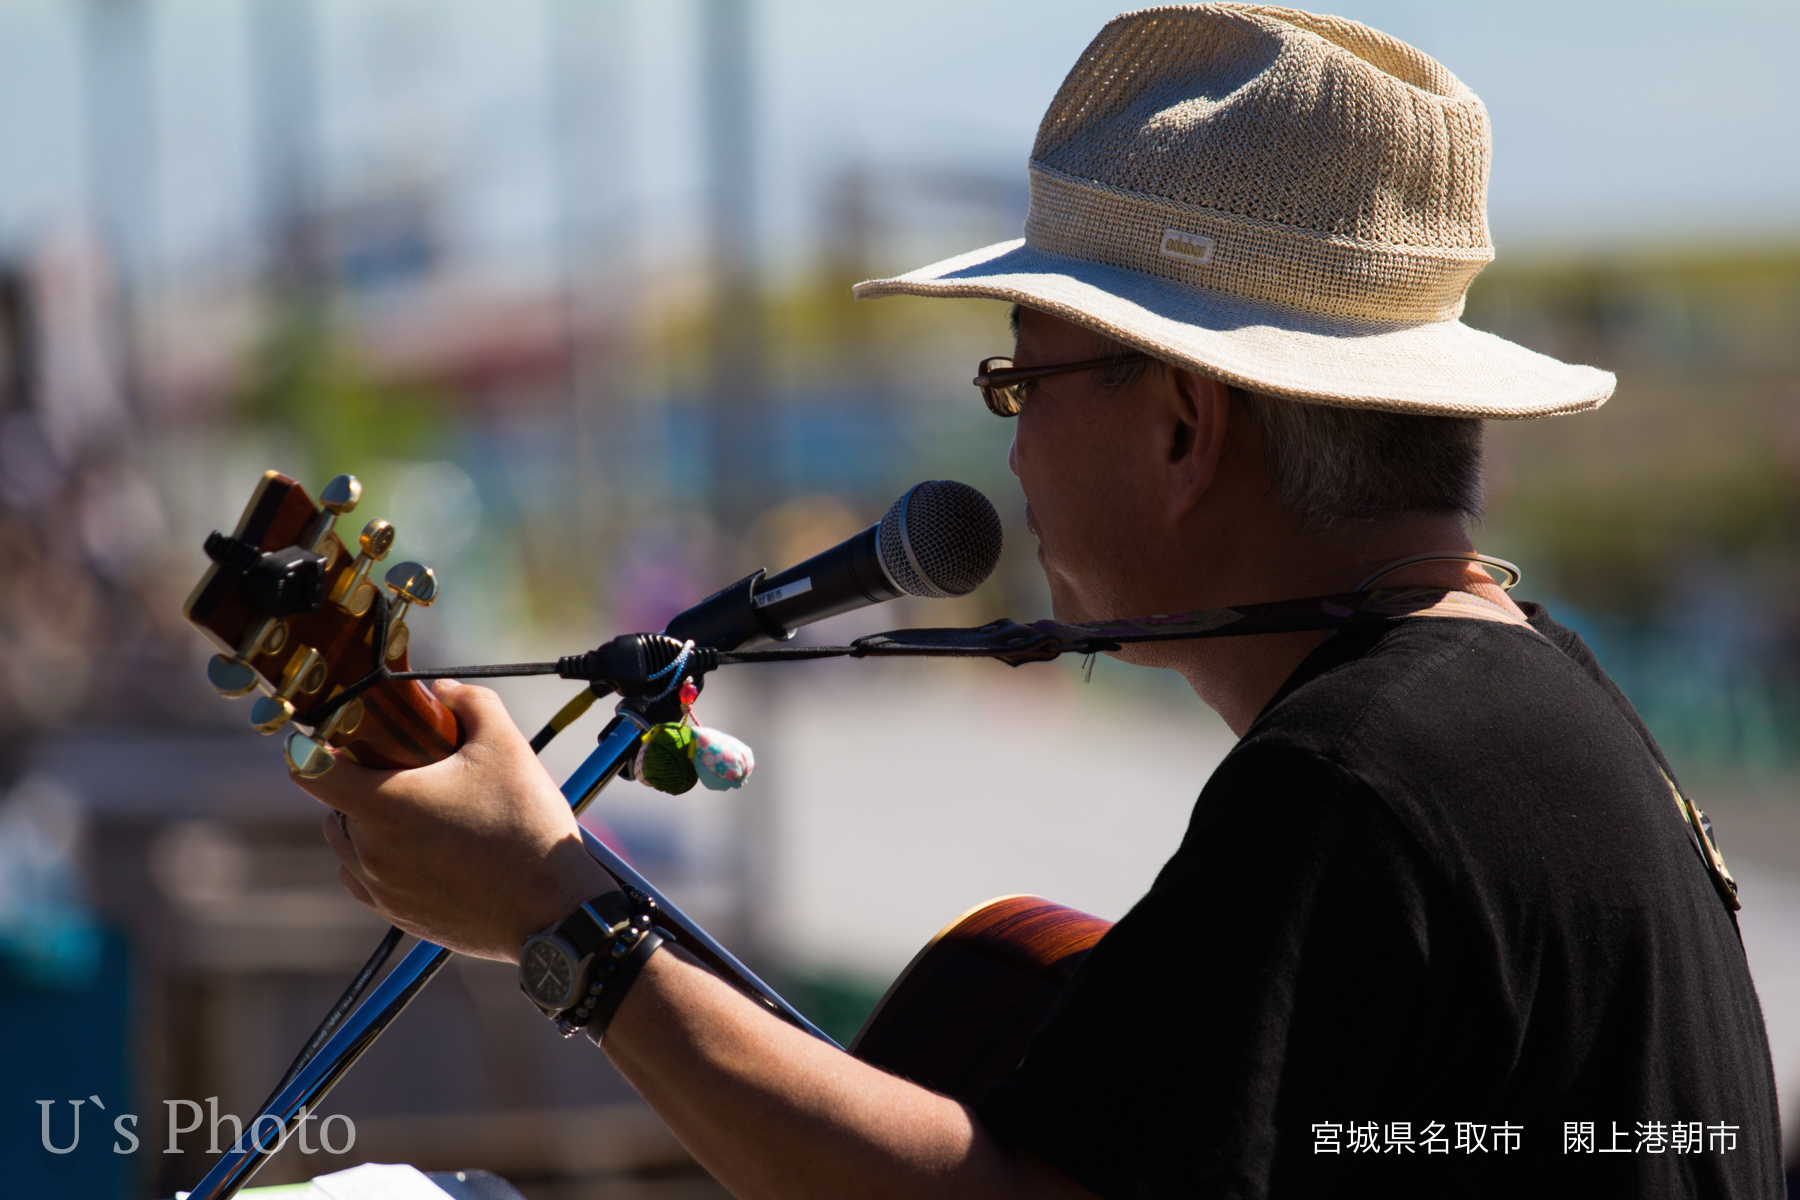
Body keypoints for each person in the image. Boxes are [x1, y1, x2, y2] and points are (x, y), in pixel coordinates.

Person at [295, 6, 1782, 1198]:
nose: (1007, 447)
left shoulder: (1355, 783)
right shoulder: (1528, 707)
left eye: (1023, 378)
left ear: (1184, 429)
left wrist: (561, 924)